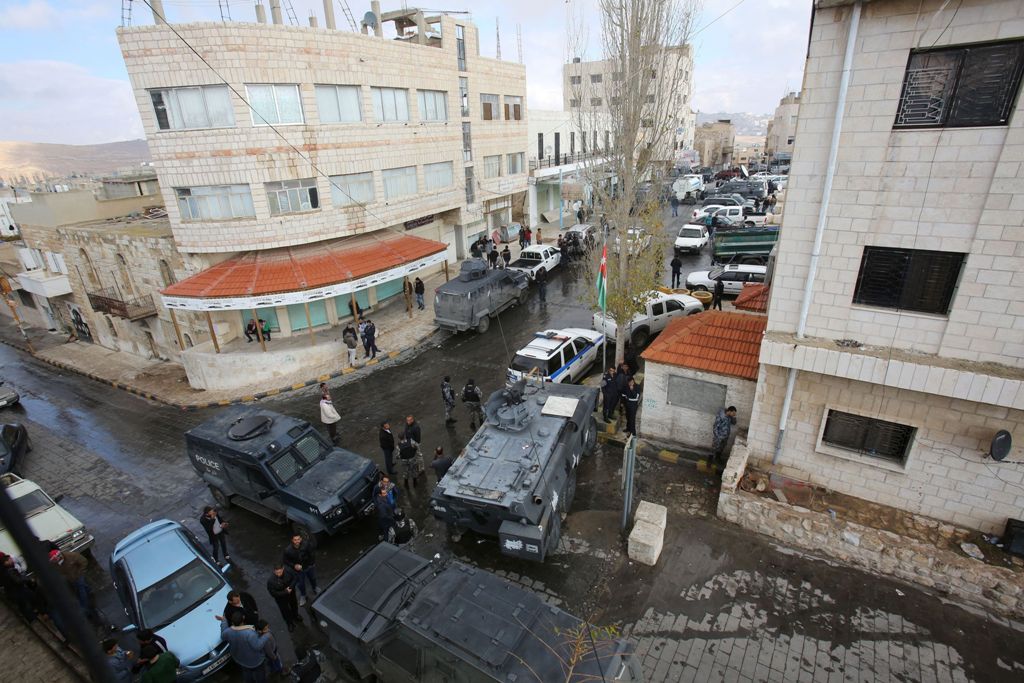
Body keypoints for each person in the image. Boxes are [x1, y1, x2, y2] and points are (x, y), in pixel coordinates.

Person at [217, 611, 270, 682]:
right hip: (255, 661)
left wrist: (224, 621)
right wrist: (266, 635)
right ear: (243, 618)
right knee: (260, 675)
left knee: (247, 673)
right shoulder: (250, 633)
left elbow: (223, 636)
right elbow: (258, 646)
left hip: (240, 659)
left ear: (232, 622)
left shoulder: (228, 632)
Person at [48, 548, 96, 622]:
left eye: (55, 560)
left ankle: (86, 609)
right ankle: (88, 597)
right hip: (70, 580)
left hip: (78, 575)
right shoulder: (55, 564)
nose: (55, 561)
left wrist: (79, 573)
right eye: (53, 560)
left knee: (81, 588)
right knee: (78, 591)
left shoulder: (72, 556)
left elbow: (83, 561)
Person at [283, 533, 318, 607]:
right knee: (300, 584)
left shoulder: (306, 544)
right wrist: (294, 565)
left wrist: (311, 564)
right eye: (295, 540)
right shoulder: (288, 550)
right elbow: (286, 561)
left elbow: (312, 554)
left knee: (313, 578)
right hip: (298, 571)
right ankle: (303, 595)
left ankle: (315, 588)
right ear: (292, 540)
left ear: (301, 539)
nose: (297, 541)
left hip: (309, 566)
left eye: (298, 539)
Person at [266, 565, 302, 632]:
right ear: (274, 571)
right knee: (285, 611)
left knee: (294, 605)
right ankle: (289, 623)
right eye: (276, 572)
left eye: (280, 572)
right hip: (281, 599)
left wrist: (290, 587)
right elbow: (273, 593)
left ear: (283, 568)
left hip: (291, 594)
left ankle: (295, 615)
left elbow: (295, 578)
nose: (278, 574)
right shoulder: (271, 581)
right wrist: (285, 592)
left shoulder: (288, 571)